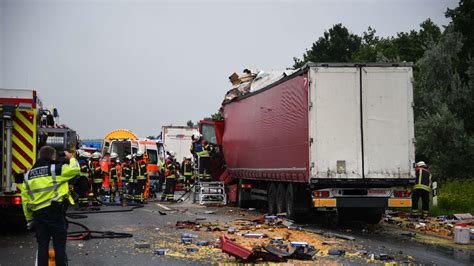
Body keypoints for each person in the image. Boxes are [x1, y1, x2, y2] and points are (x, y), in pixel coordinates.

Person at [21, 146, 80, 266]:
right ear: (53, 156)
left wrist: (29, 219)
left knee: (43, 245)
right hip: (54, 213)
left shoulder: (28, 175)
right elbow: (75, 170)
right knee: (59, 245)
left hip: (38, 215)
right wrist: (71, 158)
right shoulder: (55, 169)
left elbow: (25, 199)